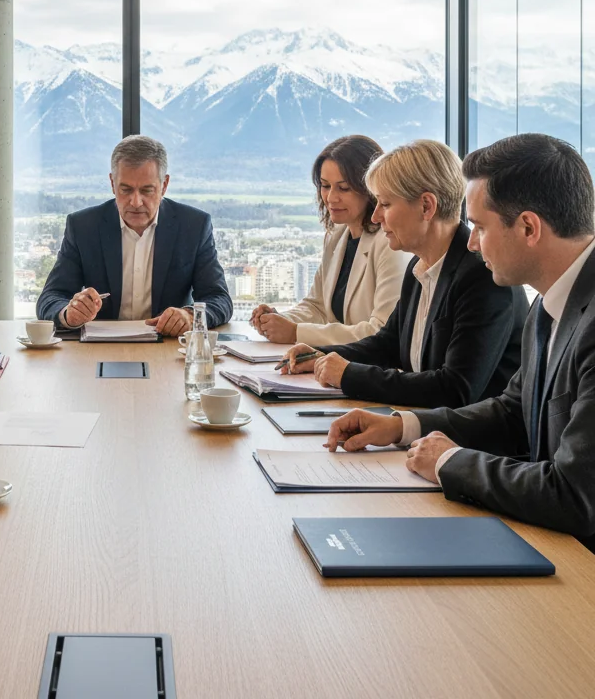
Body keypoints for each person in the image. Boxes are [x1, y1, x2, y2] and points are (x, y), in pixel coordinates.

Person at [326, 133, 595, 548]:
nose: (470, 241)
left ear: (528, 227)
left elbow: (574, 494)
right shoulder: (550, 304)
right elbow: (512, 412)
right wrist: (402, 427)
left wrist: (449, 461)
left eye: (481, 227)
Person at [279, 139, 526, 408]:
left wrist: (348, 374)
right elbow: (388, 343)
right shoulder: (420, 266)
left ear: (426, 207)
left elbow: (454, 389)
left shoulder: (481, 276)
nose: (375, 216)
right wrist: (321, 355)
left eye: (384, 204)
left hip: (469, 444)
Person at [36, 135, 232, 335]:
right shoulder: (83, 227)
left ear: (164, 185)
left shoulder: (194, 226)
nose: (136, 202)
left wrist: (190, 316)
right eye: (126, 190)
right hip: (98, 348)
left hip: (169, 348)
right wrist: (69, 313)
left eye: (147, 190)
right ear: (112, 183)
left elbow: (219, 299)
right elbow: (50, 298)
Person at [250, 135, 409, 346]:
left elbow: (381, 331)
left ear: (371, 189)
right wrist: (278, 320)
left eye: (343, 188)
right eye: (325, 186)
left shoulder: (391, 245)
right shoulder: (337, 235)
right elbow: (317, 307)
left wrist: (296, 333)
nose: (331, 198)